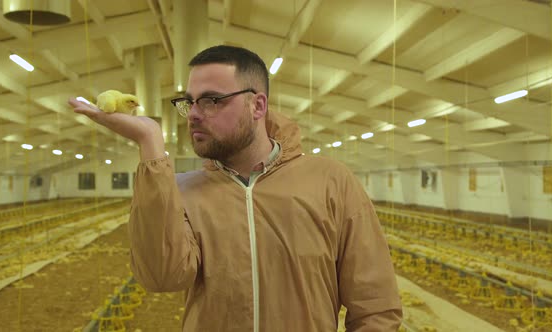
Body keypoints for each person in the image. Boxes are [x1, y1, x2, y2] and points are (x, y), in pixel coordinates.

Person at [69, 45, 402, 331]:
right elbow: (161, 277)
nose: (194, 115)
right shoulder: (183, 190)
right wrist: (150, 144)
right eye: (190, 102)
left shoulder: (331, 181)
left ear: (257, 106)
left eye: (212, 100)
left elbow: (376, 307)